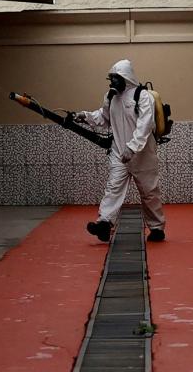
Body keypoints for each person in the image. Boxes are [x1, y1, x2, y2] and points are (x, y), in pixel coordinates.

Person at [70, 58, 166, 244]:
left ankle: (156, 228)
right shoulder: (111, 97)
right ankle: (104, 224)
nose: (112, 82)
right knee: (113, 189)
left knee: (149, 192)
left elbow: (145, 125)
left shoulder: (142, 96)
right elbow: (103, 117)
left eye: (115, 78)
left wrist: (132, 147)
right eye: (111, 78)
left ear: (126, 77)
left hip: (142, 154)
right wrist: (85, 116)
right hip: (118, 153)